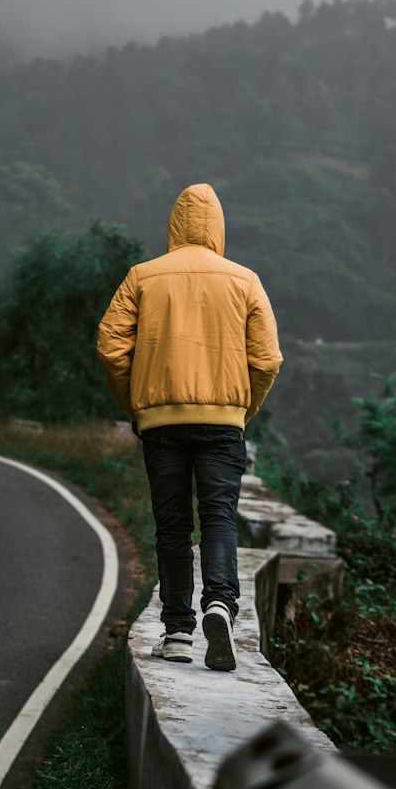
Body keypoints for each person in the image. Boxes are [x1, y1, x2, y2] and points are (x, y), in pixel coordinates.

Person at [97, 183, 282, 671]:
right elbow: (267, 359)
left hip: (161, 421)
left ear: (175, 224)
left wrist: (137, 405)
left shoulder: (143, 276)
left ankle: (177, 631)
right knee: (219, 516)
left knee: (173, 525)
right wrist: (244, 410)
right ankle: (220, 604)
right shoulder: (245, 280)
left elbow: (111, 347)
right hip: (223, 422)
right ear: (219, 226)